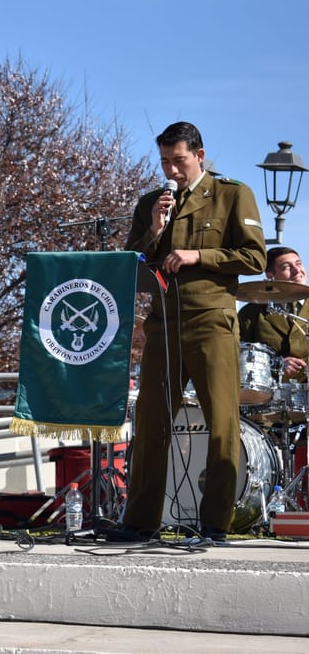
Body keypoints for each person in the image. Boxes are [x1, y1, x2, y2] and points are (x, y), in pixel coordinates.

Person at [116, 121, 266, 543]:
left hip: (211, 322)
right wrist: (155, 230)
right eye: (164, 161)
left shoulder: (232, 194)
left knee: (221, 424)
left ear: (200, 155)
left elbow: (254, 257)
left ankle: (215, 524)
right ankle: (140, 520)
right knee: (148, 423)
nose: (172, 170)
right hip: (162, 324)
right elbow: (131, 262)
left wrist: (198, 254)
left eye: (179, 161)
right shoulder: (151, 202)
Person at [238, 246, 308, 382]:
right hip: (269, 396)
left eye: (298, 264)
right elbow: (239, 355)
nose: (297, 270)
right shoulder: (251, 313)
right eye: (286, 267)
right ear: (270, 275)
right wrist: (275, 364)